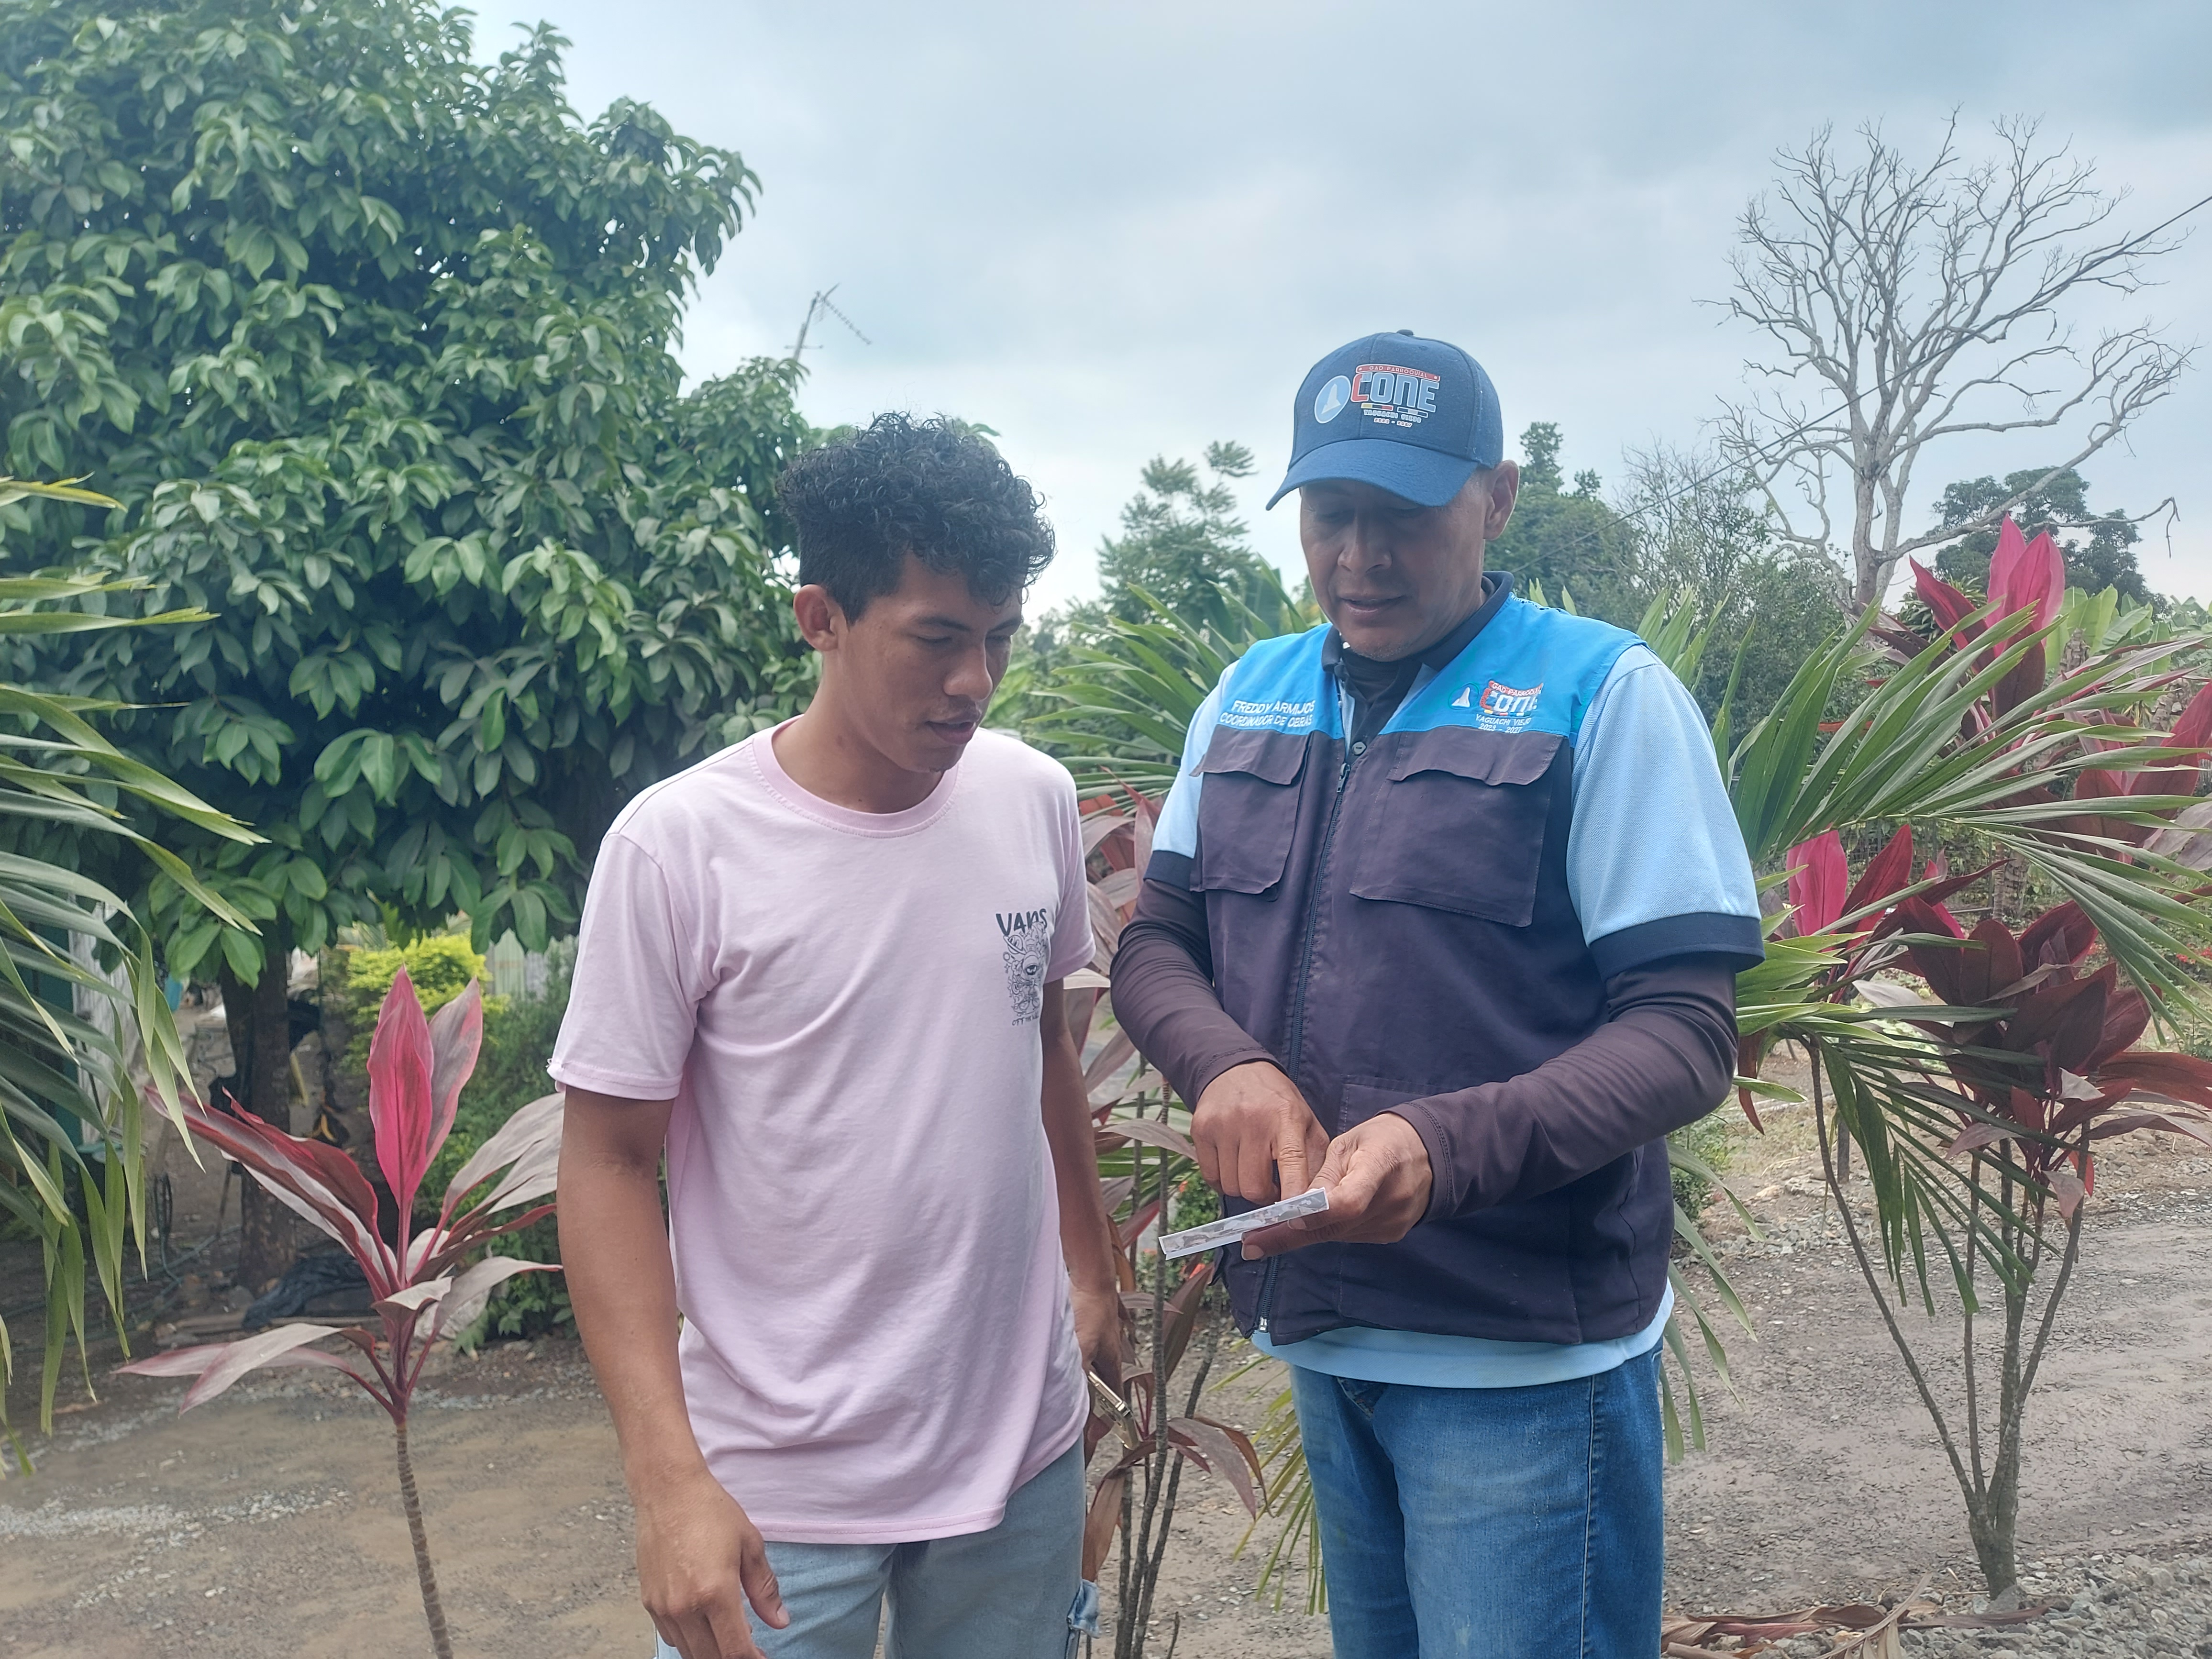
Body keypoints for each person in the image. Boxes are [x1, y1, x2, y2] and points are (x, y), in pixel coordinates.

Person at [1111, 332, 1764, 1658]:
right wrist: (1224, 1064)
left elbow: (1685, 1032)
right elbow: (1157, 944)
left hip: (1520, 1372)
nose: (1360, 556)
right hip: (1322, 1336)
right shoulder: (1249, 697)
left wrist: (1441, 1146)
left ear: (1497, 498)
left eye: (1402, 515)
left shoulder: (1604, 696)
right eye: (1331, 514)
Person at [552, 414, 1121, 1659]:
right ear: (821, 618)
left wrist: (1091, 1272)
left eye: (1000, 638)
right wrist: (667, 1482)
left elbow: (1042, 1044)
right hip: (772, 1493)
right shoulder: (680, 847)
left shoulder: (1032, 797)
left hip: (1019, 1464)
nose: (976, 680)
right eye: (937, 639)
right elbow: (605, 1162)